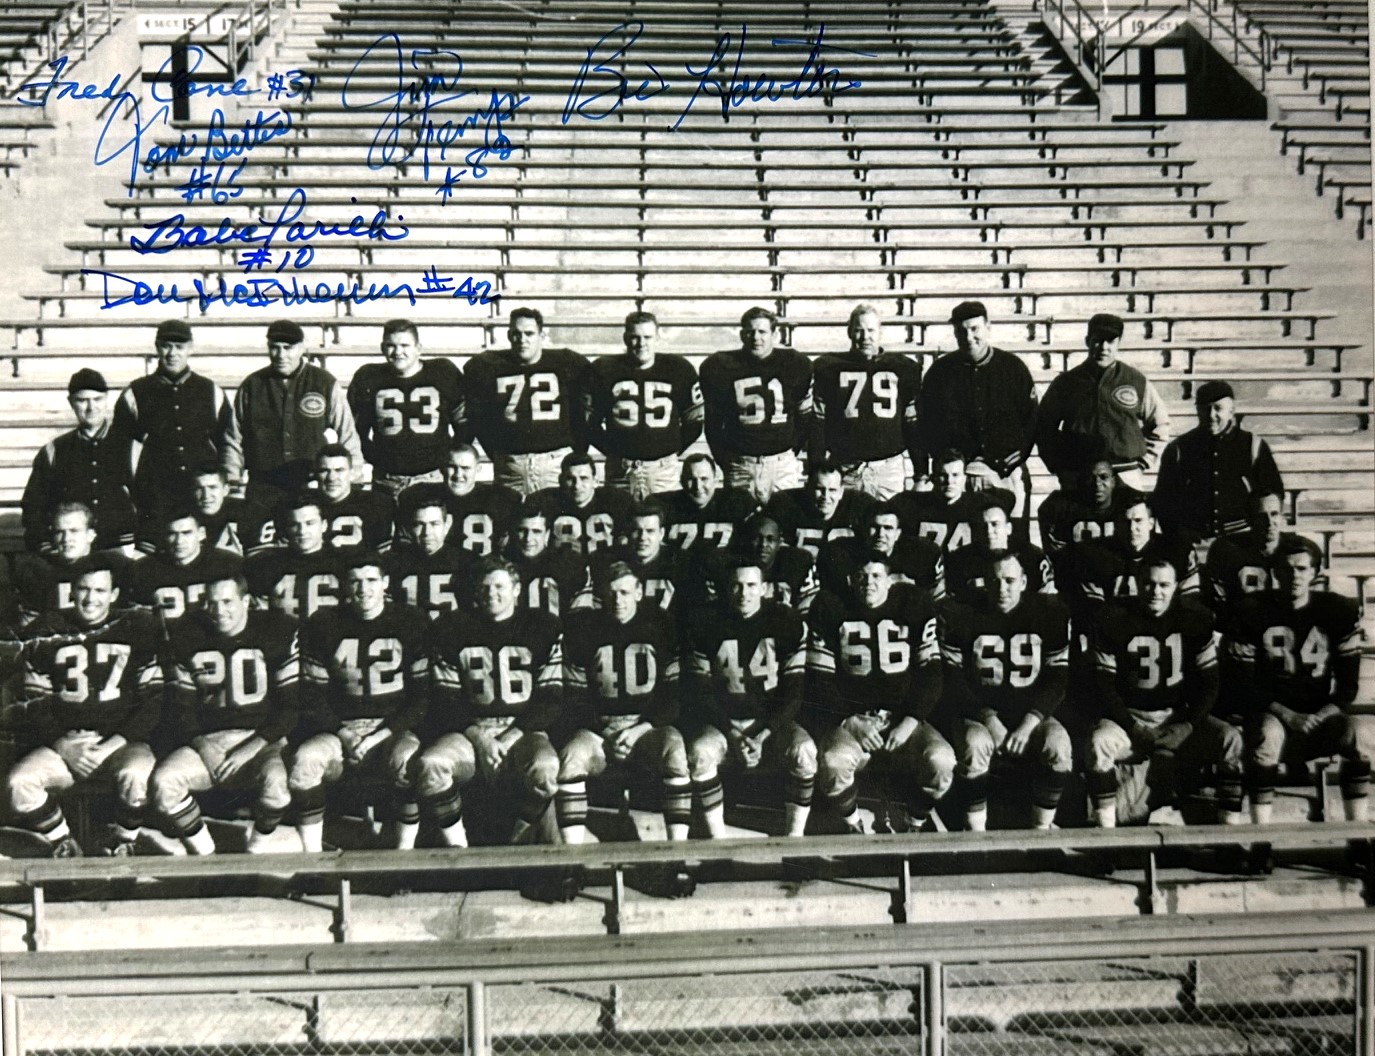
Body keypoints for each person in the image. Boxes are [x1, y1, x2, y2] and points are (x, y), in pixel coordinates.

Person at [8, 557, 162, 856]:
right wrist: (62, 744)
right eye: (83, 589)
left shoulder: (136, 627)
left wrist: (110, 746)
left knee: (138, 774)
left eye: (100, 590)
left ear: (114, 595)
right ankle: (64, 843)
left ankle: (122, 841)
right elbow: (35, 702)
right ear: (72, 590)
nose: (91, 598)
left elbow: (153, 702)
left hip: (119, 743)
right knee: (20, 783)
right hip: (67, 742)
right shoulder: (49, 628)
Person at [289, 552, 431, 851]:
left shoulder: (410, 621)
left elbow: (421, 698)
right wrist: (346, 733)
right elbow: (312, 695)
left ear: (385, 583)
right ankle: (311, 860)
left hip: (392, 729)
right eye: (354, 581)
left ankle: (403, 856)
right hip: (341, 729)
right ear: (344, 586)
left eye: (370, 580)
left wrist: (379, 734)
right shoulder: (324, 623)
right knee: (305, 760)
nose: (362, 589)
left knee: (408, 761)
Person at [150, 574, 300, 854]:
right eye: (213, 602)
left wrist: (253, 746)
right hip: (209, 739)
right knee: (164, 782)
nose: (220, 610)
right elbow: (180, 708)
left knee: (278, 785)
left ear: (246, 601)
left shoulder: (274, 632)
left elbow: (291, 707)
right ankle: (206, 854)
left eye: (228, 601)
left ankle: (256, 850)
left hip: (261, 741)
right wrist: (203, 745)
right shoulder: (190, 637)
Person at [420, 557, 565, 846]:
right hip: (470, 730)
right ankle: (458, 850)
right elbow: (444, 699)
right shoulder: (453, 626)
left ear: (516, 589)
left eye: (500, 586)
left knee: (545, 766)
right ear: (475, 592)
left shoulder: (540, 625)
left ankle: (516, 841)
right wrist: (480, 738)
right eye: (485, 587)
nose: (492, 594)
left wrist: (511, 735)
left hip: (523, 730)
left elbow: (551, 699)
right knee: (432, 763)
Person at [1087, 558, 1242, 827]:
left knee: (1230, 739)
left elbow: (1210, 683)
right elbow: (1104, 686)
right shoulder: (1114, 617)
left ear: (1177, 586)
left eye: (1163, 584)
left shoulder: (1195, 618)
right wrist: (1133, 727)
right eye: (1148, 583)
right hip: (1129, 719)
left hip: (1176, 718)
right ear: (1136, 583)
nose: (1155, 591)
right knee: (1099, 742)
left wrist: (1188, 726)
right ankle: (1106, 836)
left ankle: (1232, 834)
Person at [808, 551, 953, 834]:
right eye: (861, 577)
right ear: (851, 580)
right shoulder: (831, 608)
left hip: (902, 719)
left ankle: (915, 824)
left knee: (941, 760)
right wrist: (850, 720)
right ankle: (853, 825)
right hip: (852, 718)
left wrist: (910, 721)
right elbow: (819, 679)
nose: (868, 583)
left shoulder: (912, 607)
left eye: (876, 576)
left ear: (890, 581)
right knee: (834, 762)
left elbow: (932, 675)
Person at [1228, 537, 1369, 823]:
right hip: (1273, 712)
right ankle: (1260, 838)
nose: (1295, 576)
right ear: (1275, 572)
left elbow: (1347, 686)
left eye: (1302, 569)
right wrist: (1288, 716)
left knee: (1358, 734)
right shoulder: (1252, 610)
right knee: (1268, 735)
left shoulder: (1337, 610)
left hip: (1319, 716)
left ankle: (1358, 835)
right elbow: (1244, 685)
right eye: (1288, 569)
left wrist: (1320, 715)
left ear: (1315, 572)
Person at [558, 562, 691, 847]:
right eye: (612, 593)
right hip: (599, 729)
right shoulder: (585, 629)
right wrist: (605, 731)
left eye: (625, 592)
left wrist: (639, 729)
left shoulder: (661, 625)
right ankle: (570, 858)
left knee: (676, 750)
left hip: (646, 730)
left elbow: (674, 694)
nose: (618, 600)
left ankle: (676, 852)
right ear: (600, 596)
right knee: (571, 757)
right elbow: (575, 697)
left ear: (639, 592)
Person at [939, 551, 1072, 830]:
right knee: (976, 745)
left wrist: (1029, 723)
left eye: (1010, 580)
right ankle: (977, 835)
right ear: (984, 582)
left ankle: (1041, 829)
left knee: (1058, 744)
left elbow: (1058, 680)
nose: (1002, 588)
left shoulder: (1047, 614)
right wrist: (988, 718)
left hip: (1030, 715)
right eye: (995, 580)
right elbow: (953, 680)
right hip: (977, 713)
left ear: (1024, 582)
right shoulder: (963, 616)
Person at [683, 561, 816, 838]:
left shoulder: (786, 622)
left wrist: (763, 734)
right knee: (700, 753)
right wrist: (732, 733)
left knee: (804, 751)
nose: (744, 593)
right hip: (723, 723)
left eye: (751, 585)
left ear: (765, 589)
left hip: (771, 724)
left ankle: (795, 839)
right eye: (737, 585)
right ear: (726, 589)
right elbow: (702, 693)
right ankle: (718, 840)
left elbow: (793, 693)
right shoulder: (706, 622)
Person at [223, 319, 362, 506]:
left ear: (302, 348)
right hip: (263, 485)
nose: (281, 355)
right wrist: (233, 483)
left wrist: (353, 479)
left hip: (310, 484)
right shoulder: (252, 385)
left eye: (288, 348)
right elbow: (234, 438)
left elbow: (347, 433)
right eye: (274, 347)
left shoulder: (324, 382)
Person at [917, 301, 1038, 515]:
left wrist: (1007, 462)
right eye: (961, 331)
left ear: (988, 326)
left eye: (975, 329)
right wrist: (951, 464)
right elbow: (926, 425)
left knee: (1012, 539)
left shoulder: (1012, 368)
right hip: (958, 477)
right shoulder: (939, 372)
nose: (969, 337)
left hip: (1004, 472)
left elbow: (1031, 421)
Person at [462, 307, 593, 496]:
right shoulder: (488, 366)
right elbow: (481, 421)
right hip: (511, 465)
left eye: (529, 333)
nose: (522, 340)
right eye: (516, 334)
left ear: (542, 334)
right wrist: (500, 453)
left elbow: (582, 414)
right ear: (508, 335)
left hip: (555, 463)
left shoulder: (567, 363)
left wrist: (574, 449)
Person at [112, 319, 236, 513]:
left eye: (179, 347)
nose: (172, 354)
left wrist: (227, 483)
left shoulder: (210, 391)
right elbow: (122, 448)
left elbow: (228, 442)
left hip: (201, 496)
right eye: (166, 347)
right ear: (157, 348)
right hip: (156, 495)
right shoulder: (136, 393)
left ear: (191, 348)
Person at [1036, 313, 1169, 491]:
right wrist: (1059, 466)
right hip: (1080, 473)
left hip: (1125, 472)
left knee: (1128, 517)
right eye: (1098, 340)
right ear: (1087, 341)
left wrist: (1144, 462)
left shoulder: (1135, 380)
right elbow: (1044, 427)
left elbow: (1160, 423)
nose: (1104, 348)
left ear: (1119, 343)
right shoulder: (1066, 383)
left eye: (1111, 341)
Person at [699, 306, 814, 504]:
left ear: (774, 334)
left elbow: (805, 418)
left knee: (786, 522)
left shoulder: (795, 363)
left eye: (762, 332)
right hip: (741, 463)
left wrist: (789, 450)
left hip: (782, 465)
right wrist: (727, 461)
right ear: (742, 334)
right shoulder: (721, 365)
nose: (756, 337)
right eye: (750, 332)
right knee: (742, 526)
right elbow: (713, 424)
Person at [588, 310, 704, 499]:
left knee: (663, 522)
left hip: (663, 471)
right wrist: (616, 451)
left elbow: (695, 422)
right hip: (621, 470)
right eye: (635, 337)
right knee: (620, 523)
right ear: (625, 338)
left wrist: (668, 450)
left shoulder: (678, 368)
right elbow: (589, 424)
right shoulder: (604, 369)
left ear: (658, 337)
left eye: (647, 337)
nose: (641, 343)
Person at [1153, 380, 1284, 546]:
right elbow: (1164, 500)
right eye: (1205, 409)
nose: (1211, 416)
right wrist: (1178, 536)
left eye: (1218, 408)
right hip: (1193, 540)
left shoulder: (1253, 445)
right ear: (1197, 410)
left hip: (1242, 539)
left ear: (1231, 411)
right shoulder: (1178, 449)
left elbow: (1273, 494)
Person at [810, 304, 920, 499]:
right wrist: (816, 467)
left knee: (888, 524)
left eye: (871, 330)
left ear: (880, 332)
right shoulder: (829, 368)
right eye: (859, 330)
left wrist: (921, 471)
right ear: (849, 332)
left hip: (887, 469)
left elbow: (911, 423)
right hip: (845, 467)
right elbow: (818, 424)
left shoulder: (903, 367)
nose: (865, 337)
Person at [347, 319, 467, 498]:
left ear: (419, 348)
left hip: (433, 476)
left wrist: (445, 458)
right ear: (382, 348)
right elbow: (356, 433)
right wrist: (379, 459)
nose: (398, 352)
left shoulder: (443, 372)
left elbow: (464, 425)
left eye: (405, 345)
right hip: (387, 479)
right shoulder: (368, 377)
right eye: (391, 346)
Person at [22, 369, 137, 553]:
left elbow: (154, 503)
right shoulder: (54, 451)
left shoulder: (132, 447)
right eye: (82, 401)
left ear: (106, 399)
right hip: (73, 552)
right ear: (71, 402)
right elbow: (33, 508)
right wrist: (46, 547)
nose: (91, 408)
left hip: (123, 547)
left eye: (97, 399)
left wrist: (143, 550)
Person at [10, 502, 127, 630]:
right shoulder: (38, 571)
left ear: (91, 535)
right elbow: (29, 626)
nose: (66, 539)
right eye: (60, 532)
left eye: (74, 531)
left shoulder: (113, 564)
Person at [122, 505, 243, 628]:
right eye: (172, 534)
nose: (179, 541)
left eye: (186, 533)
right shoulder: (144, 569)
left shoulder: (229, 564)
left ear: (201, 533)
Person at [819, 501, 945, 604]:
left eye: (888, 528)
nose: (880, 535)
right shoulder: (842, 551)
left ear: (898, 533)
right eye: (874, 527)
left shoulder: (920, 552)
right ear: (863, 529)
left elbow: (936, 599)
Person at [944, 489, 1053, 604]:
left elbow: (1046, 602)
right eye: (982, 525)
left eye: (995, 524)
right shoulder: (960, 559)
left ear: (1008, 528)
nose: (989, 531)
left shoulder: (1032, 557)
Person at [245, 494, 342, 619]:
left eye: (309, 523)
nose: (302, 531)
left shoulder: (342, 562)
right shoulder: (267, 564)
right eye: (294, 524)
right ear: (286, 528)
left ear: (324, 525)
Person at [764, 460, 874, 559]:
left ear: (841, 492)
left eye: (832, 490)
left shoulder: (858, 504)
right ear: (807, 488)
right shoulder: (787, 503)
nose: (825, 496)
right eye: (820, 489)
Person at [531, 451, 633, 555]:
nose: (577, 486)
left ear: (595, 481)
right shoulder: (545, 501)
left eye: (584, 478)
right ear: (560, 480)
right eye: (570, 479)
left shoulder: (616, 500)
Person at [503, 502, 593, 617]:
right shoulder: (503, 564)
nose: (528, 538)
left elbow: (581, 613)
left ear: (547, 535)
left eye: (536, 531)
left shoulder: (567, 563)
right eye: (522, 530)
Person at [662, 453, 758, 553]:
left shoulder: (737, 500)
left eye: (704, 479)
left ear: (715, 479)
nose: (698, 486)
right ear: (682, 481)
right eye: (691, 479)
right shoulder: (665, 504)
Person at [441, 442, 523, 556]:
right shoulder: (426, 495)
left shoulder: (501, 497)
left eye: (465, 468)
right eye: (452, 467)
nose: (458, 474)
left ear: (478, 468)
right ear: (442, 468)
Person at [891, 449, 979, 554]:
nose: (949, 481)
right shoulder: (910, 504)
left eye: (955, 475)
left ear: (964, 478)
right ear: (933, 478)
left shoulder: (978, 504)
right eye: (943, 475)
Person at [311, 444, 395, 552]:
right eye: (324, 471)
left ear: (351, 473)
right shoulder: (305, 505)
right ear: (316, 474)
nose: (331, 478)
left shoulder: (375, 504)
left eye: (339, 470)